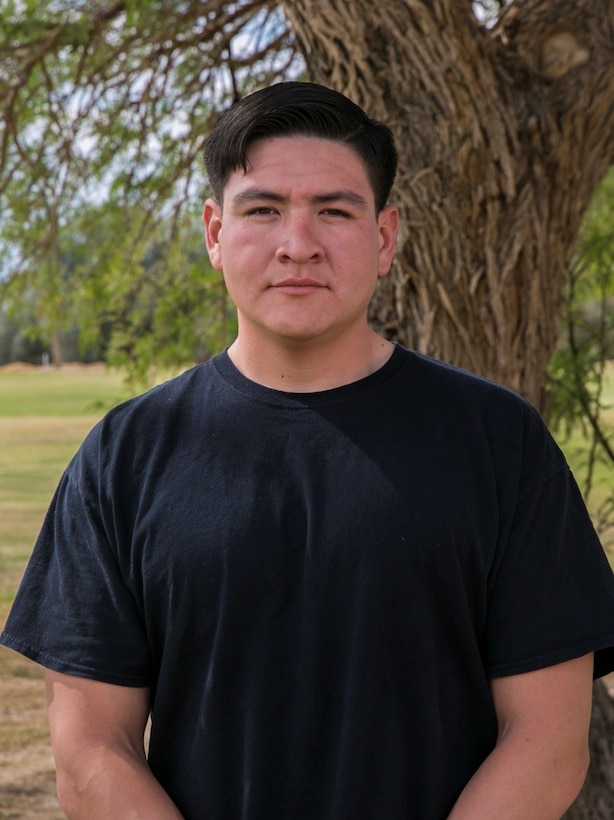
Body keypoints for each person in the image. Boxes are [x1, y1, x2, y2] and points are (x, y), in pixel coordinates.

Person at [2, 81, 614, 820]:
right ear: (213, 233)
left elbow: (548, 740)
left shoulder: (499, 442)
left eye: (334, 210)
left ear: (384, 238)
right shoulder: (123, 458)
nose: (299, 243)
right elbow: (91, 749)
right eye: (262, 210)